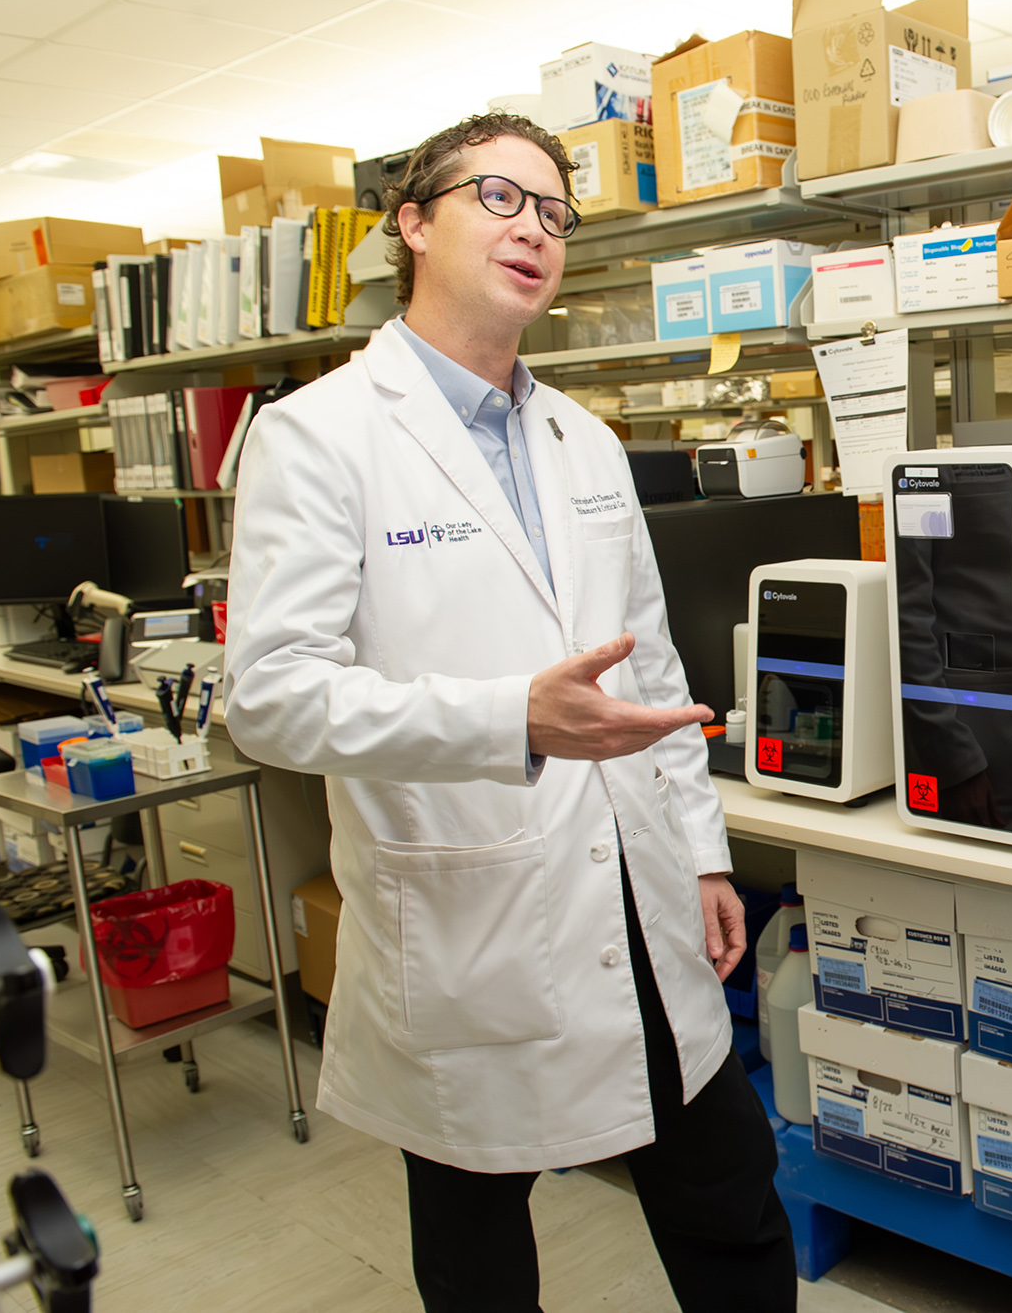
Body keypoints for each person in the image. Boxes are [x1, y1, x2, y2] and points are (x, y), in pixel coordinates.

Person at [224, 112, 794, 1313]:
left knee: (730, 1196)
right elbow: (268, 696)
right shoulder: (318, 435)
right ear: (412, 221)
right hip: (463, 912)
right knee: (480, 1254)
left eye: (554, 211)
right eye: (498, 196)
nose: (533, 228)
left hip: (637, 899)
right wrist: (508, 721)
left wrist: (699, 857)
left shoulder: (582, 439)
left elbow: (649, 668)